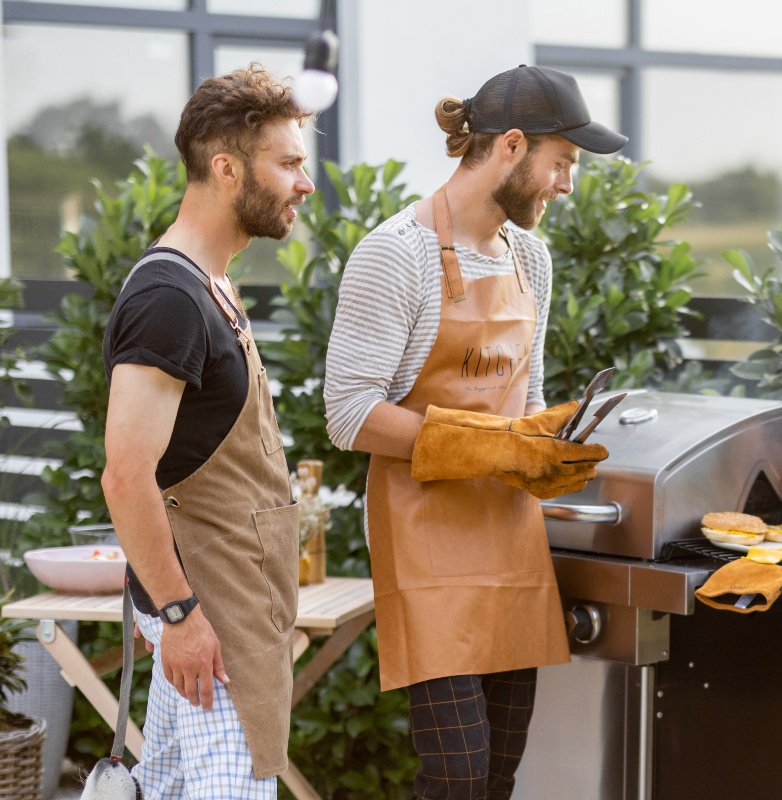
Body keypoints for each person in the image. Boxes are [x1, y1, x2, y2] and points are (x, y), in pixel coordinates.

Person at [324, 65, 624, 799]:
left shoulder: (531, 258)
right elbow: (348, 412)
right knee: (454, 778)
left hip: (511, 542)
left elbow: (530, 394)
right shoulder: (395, 252)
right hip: (427, 545)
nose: (566, 184)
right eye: (563, 164)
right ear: (512, 147)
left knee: (495, 779)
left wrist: (550, 446)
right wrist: (492, 446)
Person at [101, 64, 314, 798]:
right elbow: (127, 476)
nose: (304, 182)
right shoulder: (170, 299)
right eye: (288, 163)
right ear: (226, 169)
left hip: (228, 617)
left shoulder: (212, 285)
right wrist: (180, 614)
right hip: (211, 626)